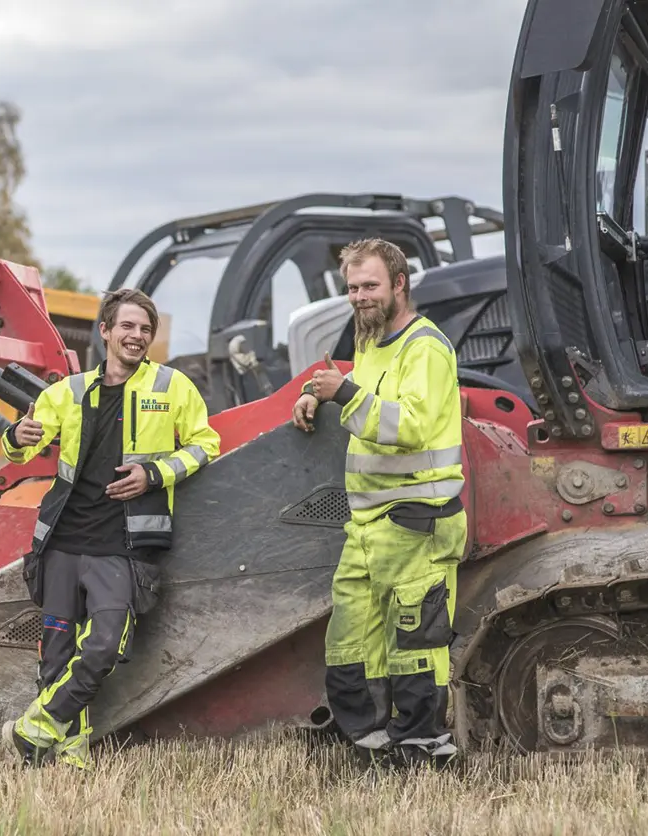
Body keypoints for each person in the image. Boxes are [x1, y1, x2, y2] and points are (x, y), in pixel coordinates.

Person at [0, 287, 221, 769]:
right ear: (105, 331)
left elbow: (207, 444)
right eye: (127, 326)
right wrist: (16, 436)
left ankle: (37, 723)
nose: (136, 336)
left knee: (103, 644)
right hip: (60, 540)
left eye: (145, 329)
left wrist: (154, 474)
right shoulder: (70, 392)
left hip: (123, 543)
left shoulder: (172, 387)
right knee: (55, 654)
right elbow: (20, 448)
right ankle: (67, 756)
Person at [293, 238, 466, 768]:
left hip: (417, 521)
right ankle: (367, 742)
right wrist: (316, 396)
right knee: (350, 641)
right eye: (352, 288)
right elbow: (361, 401)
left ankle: (422, 748)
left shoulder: (427, 348)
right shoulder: (370, 345)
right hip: (367, 524)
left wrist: (342, 393)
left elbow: (409, 425)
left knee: (416, 643)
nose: (360, 297)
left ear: (399, 285)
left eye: (370, 286)